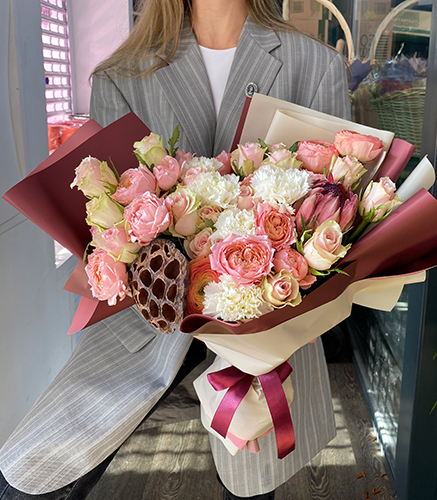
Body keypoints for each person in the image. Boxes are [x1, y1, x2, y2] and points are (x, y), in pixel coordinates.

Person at [0, 0, 350, 498]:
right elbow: (108, 229)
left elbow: (338, 221)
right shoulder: (123, 75)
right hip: (147, 328)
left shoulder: (315, 66)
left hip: (270, 336)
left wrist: (269, 331)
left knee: (251, 478)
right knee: (36, 472)